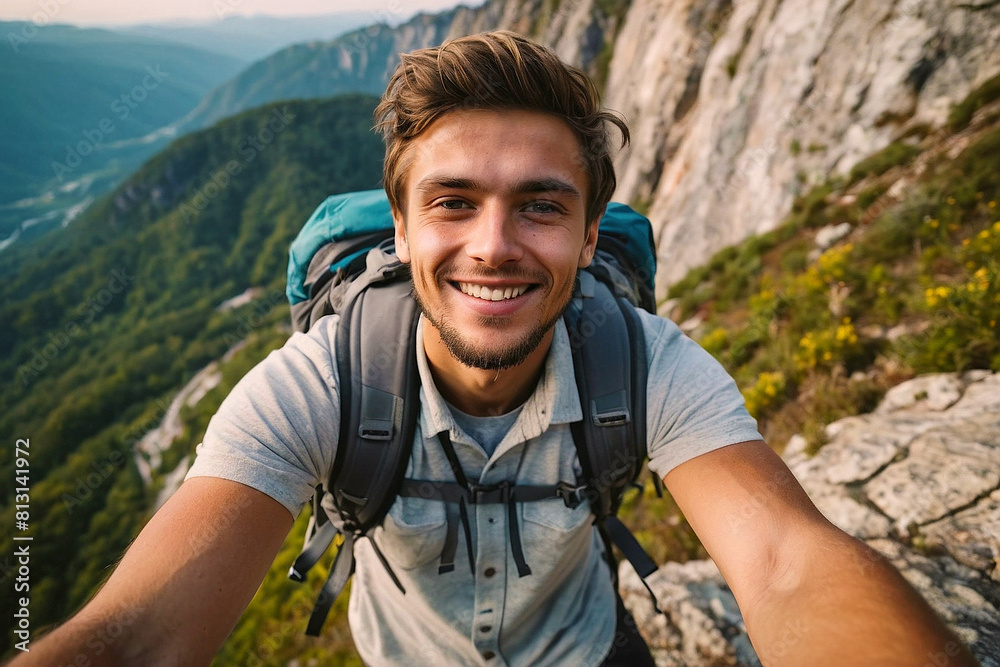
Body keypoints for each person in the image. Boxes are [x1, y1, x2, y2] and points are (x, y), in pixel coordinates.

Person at [10, 31, 978, 667]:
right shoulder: (325, 380)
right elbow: (139, 634)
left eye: (541, 206)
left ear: (591, 238)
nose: (493, 244)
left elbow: (787, 563)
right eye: (453, 201)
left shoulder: (646, 364)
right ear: (400, 226)